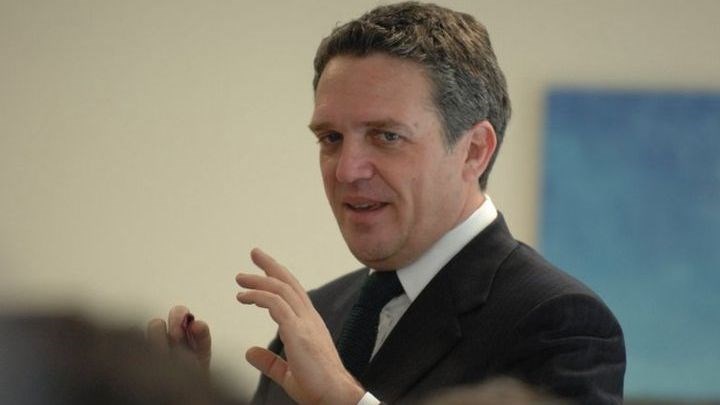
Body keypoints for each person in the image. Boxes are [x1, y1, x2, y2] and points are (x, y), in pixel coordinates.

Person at [149, 2, 626, 404]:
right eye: (331, 138)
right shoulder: (316, 315)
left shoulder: (560, 323)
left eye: (386, 136)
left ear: (474, 151)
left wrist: (347, 401)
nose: (346, 170)